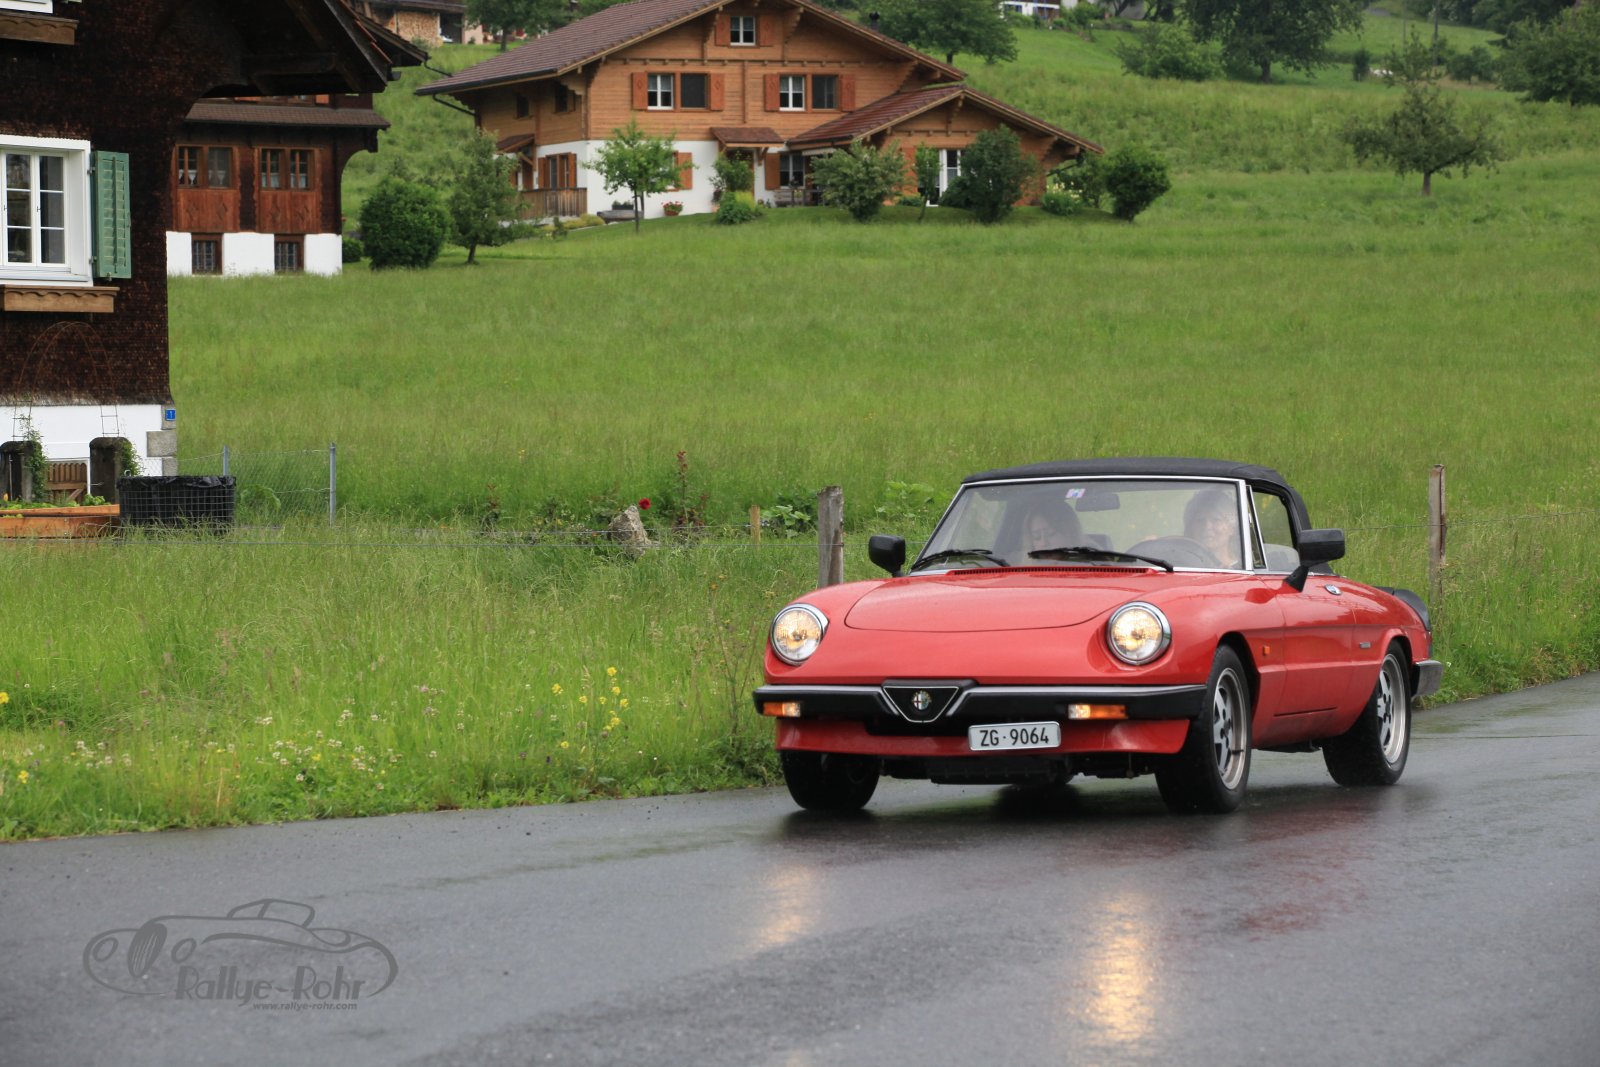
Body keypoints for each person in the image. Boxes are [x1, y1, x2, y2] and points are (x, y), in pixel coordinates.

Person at [1183, 489, 1242, 568]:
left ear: (1232, 528)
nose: (1207, 526)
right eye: (1200, 520)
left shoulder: (1243, 569)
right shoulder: (1181, 566)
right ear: (1191, 528)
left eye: (1216, 520)